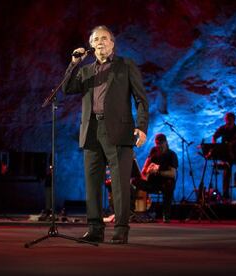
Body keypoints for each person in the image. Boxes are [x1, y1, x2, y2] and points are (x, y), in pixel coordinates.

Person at [63, 25, 149, 244]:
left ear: (112, 43)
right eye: (96, 39)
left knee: (120, 183)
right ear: (91, 45)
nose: (100, 42)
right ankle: (94, 228)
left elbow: (141, 99)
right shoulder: (85, 70)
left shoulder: (126, 65)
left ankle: (121, 229)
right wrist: (74, 64)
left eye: (104, 38)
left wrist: (141, 126)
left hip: (119, 130)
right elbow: (66, 89)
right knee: (92, 183)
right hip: (91, 130)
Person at [133, 133, 178, 223]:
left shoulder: (171, 154)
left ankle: (166, 215)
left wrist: (158, 172)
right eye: (157, 144)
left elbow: (173, 174)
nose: (159, 146)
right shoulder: (153, 151)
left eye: (161, 144)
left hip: (164, 183)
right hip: (152, 182)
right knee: (133, 181)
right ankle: (132, 212)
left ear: (166, 143)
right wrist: (147, 170)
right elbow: (144, 169)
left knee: (169, 184)